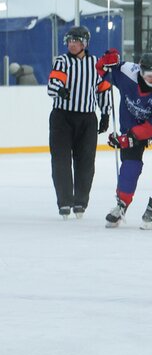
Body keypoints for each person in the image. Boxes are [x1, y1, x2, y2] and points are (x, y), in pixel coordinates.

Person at [95, 51, 152, 229]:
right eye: (149, 76)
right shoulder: (127, 72)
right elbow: (101, 70)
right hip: (130, 125)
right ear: (140, 73)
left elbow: (151, 128)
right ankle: (121, 204)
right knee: (130, 165)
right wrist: (105, 62)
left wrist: (126, 139)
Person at [46, 26, 112, 219]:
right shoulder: (62, 61)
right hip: (62, 118)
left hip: (87, 119)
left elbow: (103, 89)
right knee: (61, 160)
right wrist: (60, 90)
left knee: (86, 162)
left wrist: (105, 113)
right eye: (69, 41)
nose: (72, 44)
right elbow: (53, 84)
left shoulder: (95, 64)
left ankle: (80, 201)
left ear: (84, 43)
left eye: (76, 41)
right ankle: (65, 202)